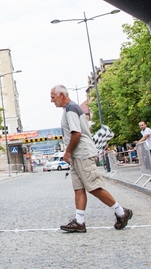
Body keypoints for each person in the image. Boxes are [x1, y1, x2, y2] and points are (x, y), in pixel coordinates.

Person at [50, 85, 132, 233]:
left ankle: (121, 212)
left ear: (62, 95)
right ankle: (79, 222)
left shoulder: (71, 109)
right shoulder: (69, 109)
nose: (51, 101)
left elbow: (76, 133)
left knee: (93, 187)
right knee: (78, 188)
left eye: (53, 97)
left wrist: (67, 152)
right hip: (77, 155)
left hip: (83, 154)